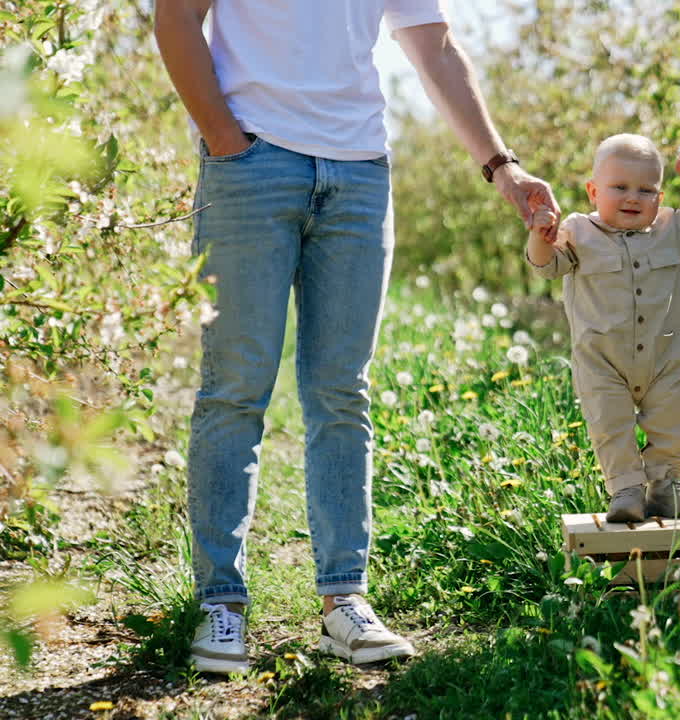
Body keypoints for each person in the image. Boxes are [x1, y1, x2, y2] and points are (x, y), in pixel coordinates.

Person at [154, 0, 559, 674]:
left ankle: (343, 600)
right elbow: (175, 18)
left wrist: (502, 165)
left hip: (360, 172)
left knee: (342, 391)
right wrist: (226, 141)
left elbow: (434, 47)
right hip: (252, 165)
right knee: (235, 386)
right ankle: (220, 602)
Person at [525, 135, 680, 522]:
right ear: (594, 191)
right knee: (610, 425)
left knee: (674, 419)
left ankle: (667, 485)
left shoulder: (671, 230)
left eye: (646, 190)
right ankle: (626, 489)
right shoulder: (578, 232)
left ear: (660, 199)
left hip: (662, 357)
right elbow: (546, 266)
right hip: (602, 362)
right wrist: (539, 237)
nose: (633, 197)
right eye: (620, 187)